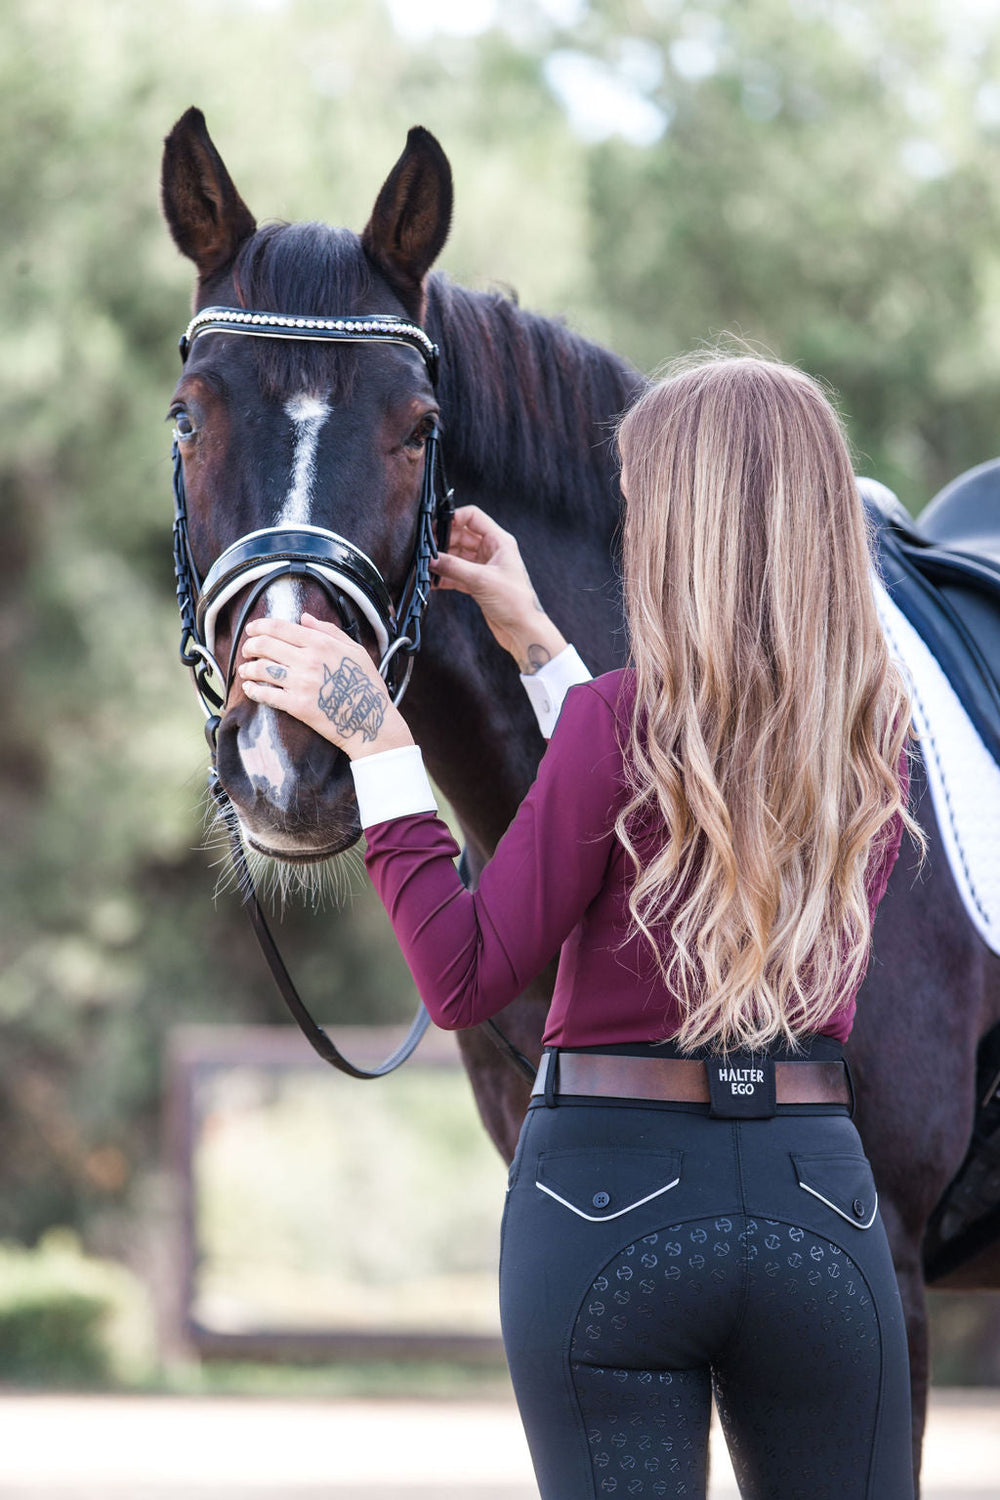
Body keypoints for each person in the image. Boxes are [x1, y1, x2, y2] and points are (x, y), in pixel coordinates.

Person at [237, 353, 919, 1500]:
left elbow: (462, 976)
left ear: (684, 527)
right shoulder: (867, 744)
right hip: (819, 1204)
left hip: (609, 1208)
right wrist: (539, 646)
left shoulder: (616, 723)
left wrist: (381, 750)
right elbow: (677, 811)